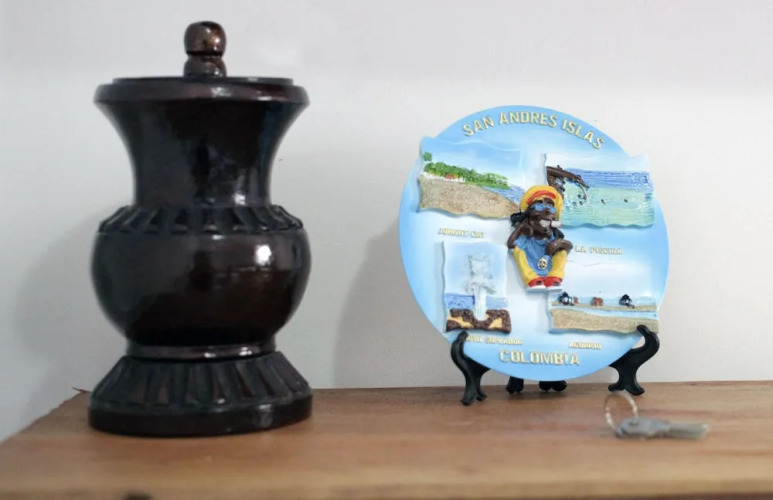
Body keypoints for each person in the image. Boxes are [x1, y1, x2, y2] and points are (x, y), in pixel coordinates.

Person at [506, 185, 572, 291]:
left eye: (550, 207)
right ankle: (532, 278)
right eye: (539, 206)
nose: (546, 211)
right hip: (532, 267)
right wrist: (521, 227)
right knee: (518, 251)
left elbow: (569, 246)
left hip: (549, 267)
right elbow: (511, 244)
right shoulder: (527, 237)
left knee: (562, 252)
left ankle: (554, 277)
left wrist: (558, 243)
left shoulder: (552, 236)